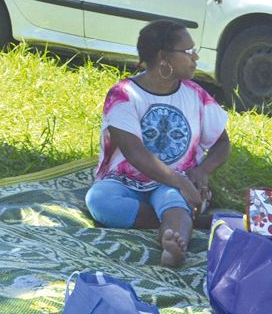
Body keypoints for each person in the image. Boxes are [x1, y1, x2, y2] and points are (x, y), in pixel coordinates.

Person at [84, 19, 232, 267]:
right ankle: (185, 220)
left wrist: (201, 171)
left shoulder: (196, 94)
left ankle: (172, 245)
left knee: (172, 200)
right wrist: (182, 184)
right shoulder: (123, 95)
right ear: (163, 57)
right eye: (188, 51)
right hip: (125, 182)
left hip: (176, 182)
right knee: (99, 200)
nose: (195, 57)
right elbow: (134, 152)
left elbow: (222, 143)